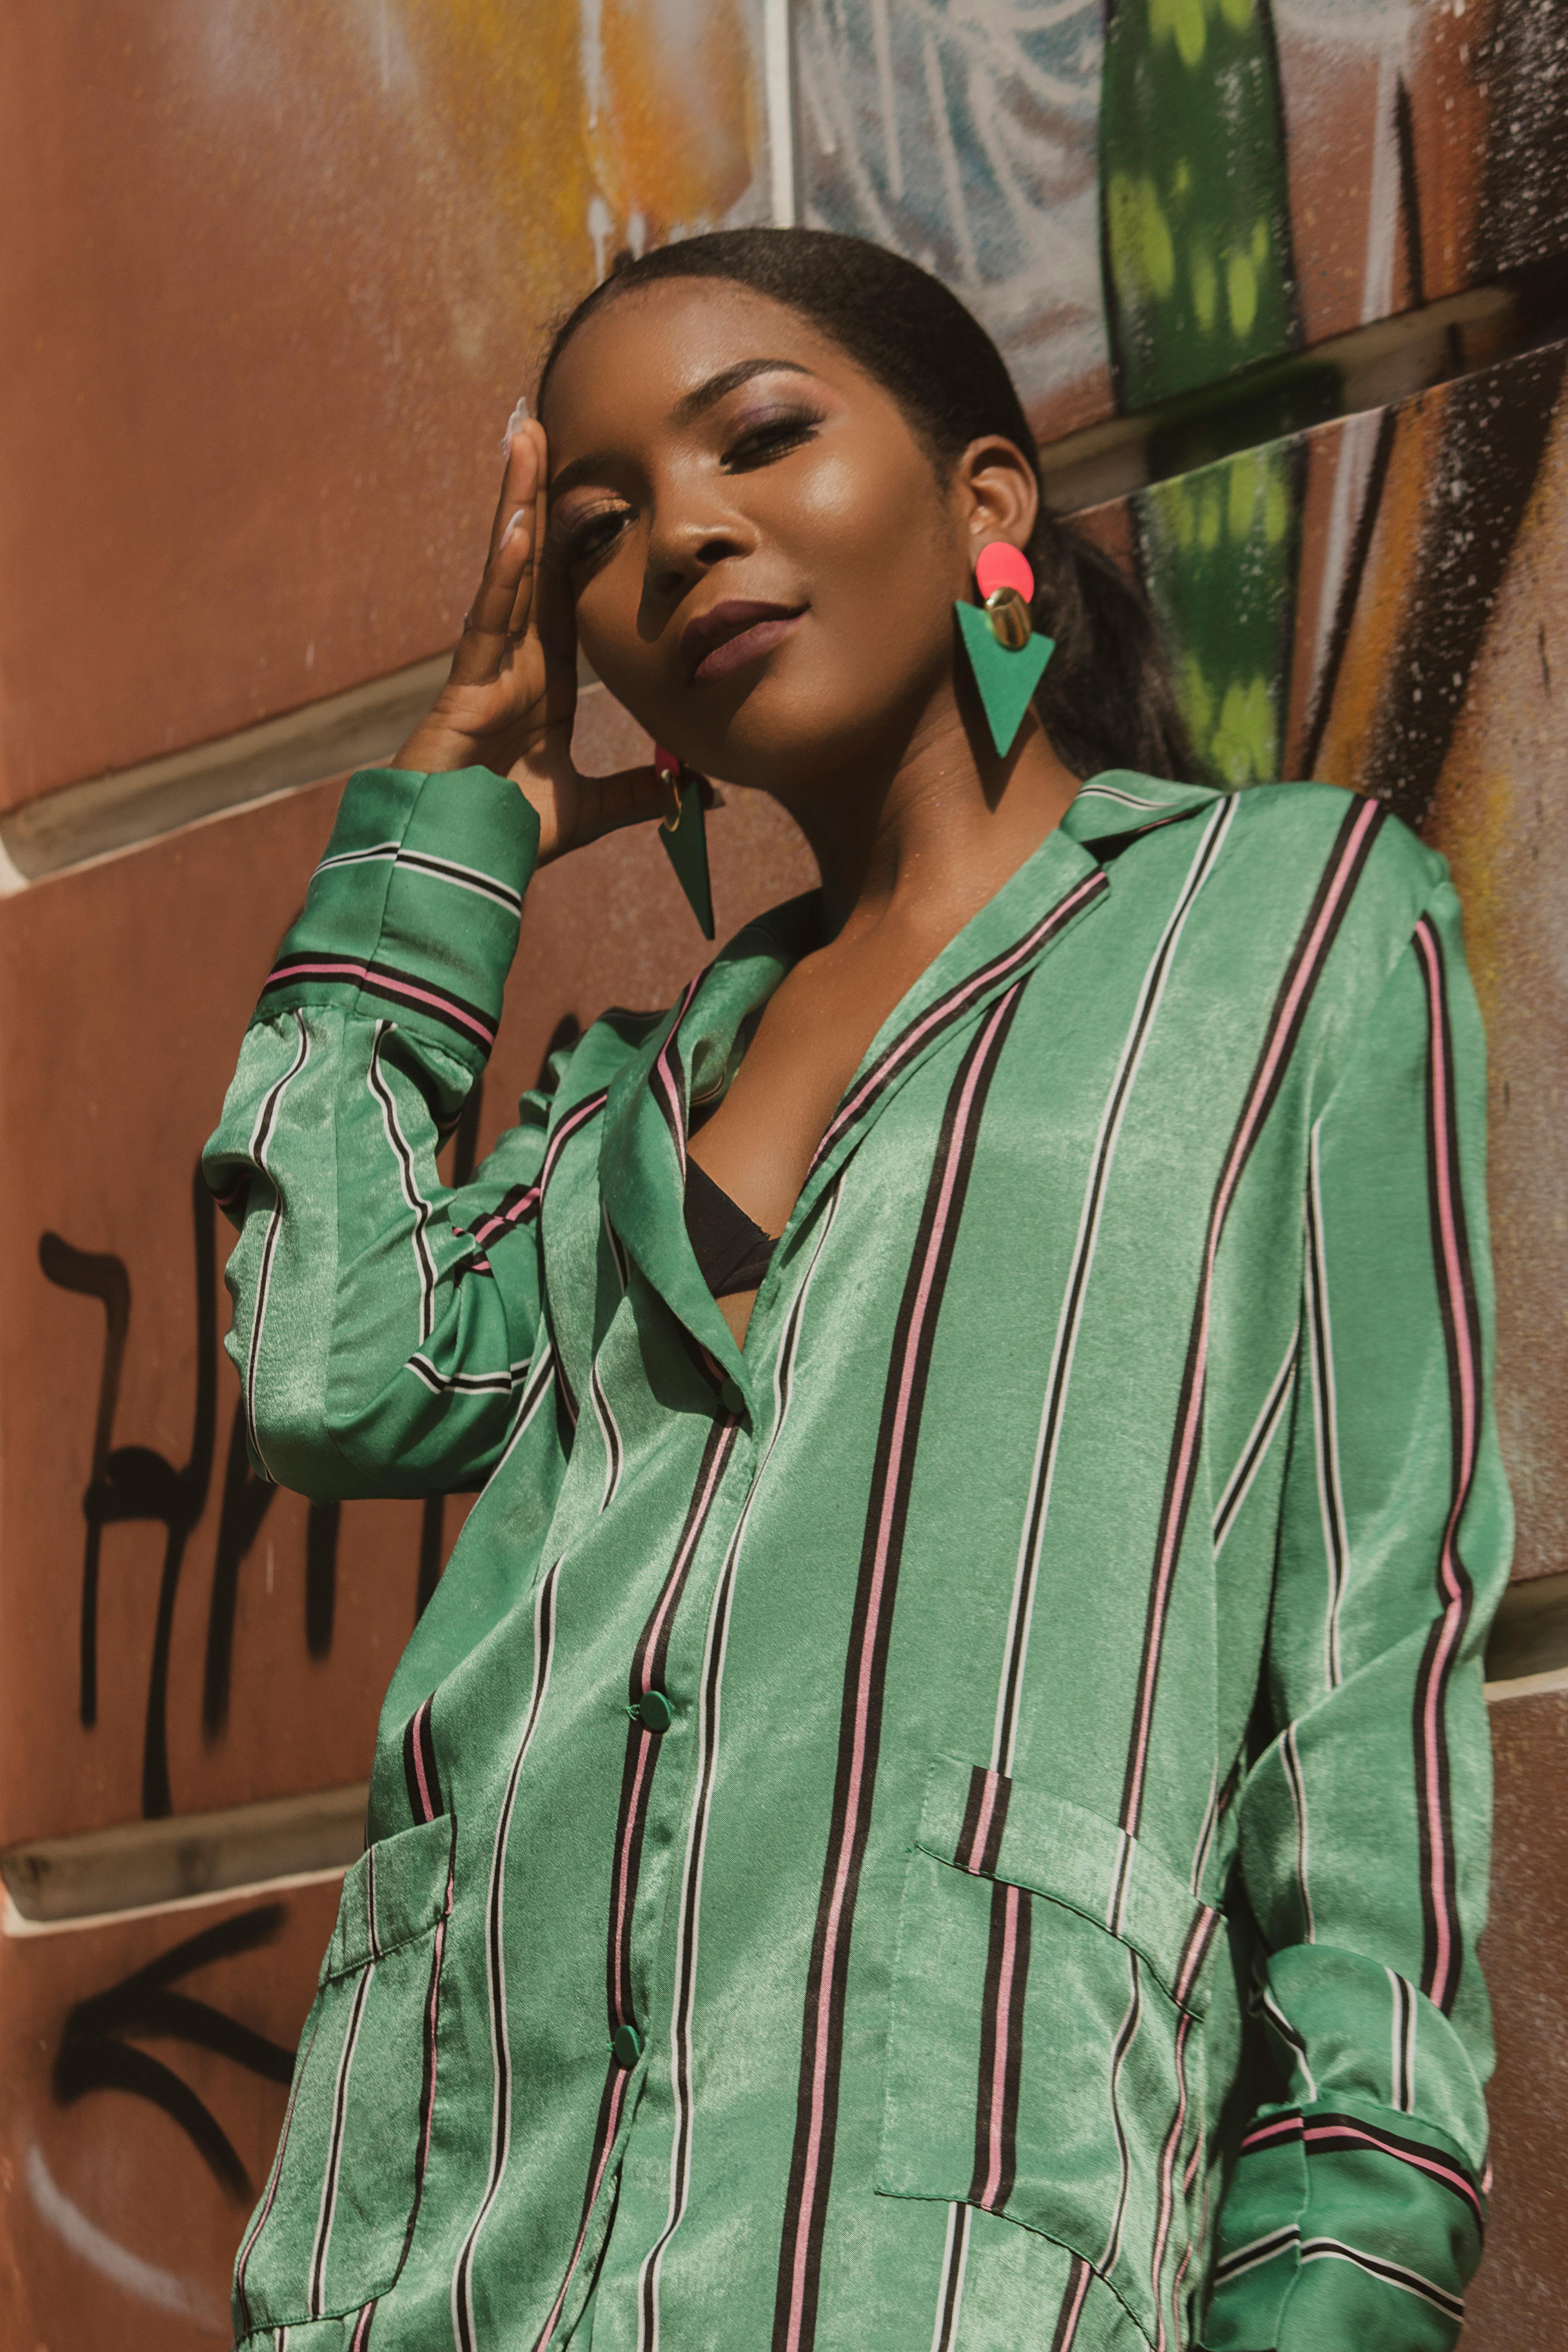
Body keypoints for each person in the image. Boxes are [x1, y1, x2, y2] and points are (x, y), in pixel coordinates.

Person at [205, 229, 1509, 2352]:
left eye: (761, 438)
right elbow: (332, 1370)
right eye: (605, 527)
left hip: (927, 2255)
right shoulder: (628, 1104)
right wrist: (456, 814)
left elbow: (1375, 1682)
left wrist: (1343, 2284)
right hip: (435, 2260)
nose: (681, 535)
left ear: (986, 504)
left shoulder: (1286, 927)